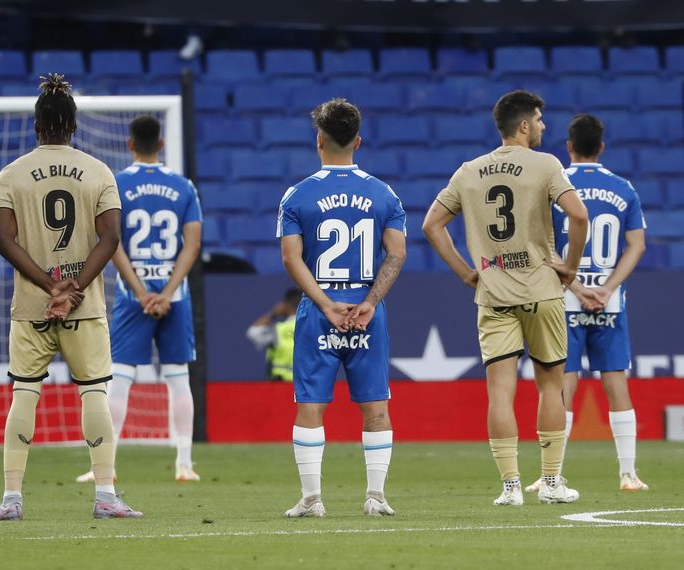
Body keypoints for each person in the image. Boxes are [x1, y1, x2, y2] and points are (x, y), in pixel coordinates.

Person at [422, 90, 589, 506]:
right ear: (523, 126)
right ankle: (551, 483)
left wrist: (465, 272)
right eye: (539, 119)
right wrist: (570, 264)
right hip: (542, 290)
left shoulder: (468, 171)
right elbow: (579, 214)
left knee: (500, 392)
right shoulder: (546, 164)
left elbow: (431, 225)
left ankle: (511, 488)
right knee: (551, 387)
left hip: (493, 293)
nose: (544, 126)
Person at [0, 74, 141, 521]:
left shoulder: (11, 174)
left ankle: (11, 499)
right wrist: (72, 289)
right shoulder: (98, 171)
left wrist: (49, 286)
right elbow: (110, 238)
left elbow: (3, 239)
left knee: (25, 392)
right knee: (94, 391)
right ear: (73, 125)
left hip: (32, 305)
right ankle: (106, 496)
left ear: (37, 126)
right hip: (85, 305)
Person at [278, 98, 407, 518]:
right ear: (359, 141)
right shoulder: (384, 193)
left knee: (311, 405)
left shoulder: (298, 195)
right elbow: (397, 254)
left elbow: (291, 258)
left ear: (319, 140)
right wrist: (369, 302)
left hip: (321, 309)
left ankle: (312, 498)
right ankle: (376, 496)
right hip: (368, 309)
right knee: (375, 405)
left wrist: (327, 305)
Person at [75, 115, 203, 485]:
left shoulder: (116, 185)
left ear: (130, 144)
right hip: (174, 296)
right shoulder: (183, 187)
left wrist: (142, 291)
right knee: (179, 379)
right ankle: (184, 464)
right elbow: (192, 244)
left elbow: (110, 242)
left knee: (121, 380)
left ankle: (106, 467)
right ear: (160, 144)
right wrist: (165, 293)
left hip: (134, 297)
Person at [524, 114, 649, 493]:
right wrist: (607, 288)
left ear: (569, 147)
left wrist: (577, 286)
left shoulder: (554, 185)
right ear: (602, 147)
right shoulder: (623, 188)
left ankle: (552, 473)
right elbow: (637, 245)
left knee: (563, 387)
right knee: (616, 384)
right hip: (609, 305)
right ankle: (628, 474)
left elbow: (543, 244)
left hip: (564, 300)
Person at [246, 288, 302, 381]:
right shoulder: (311, 328)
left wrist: (273, 314)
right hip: (303, 383)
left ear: (285, 305)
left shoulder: (278, 329)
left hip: (279, 384)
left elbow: (252, 332)